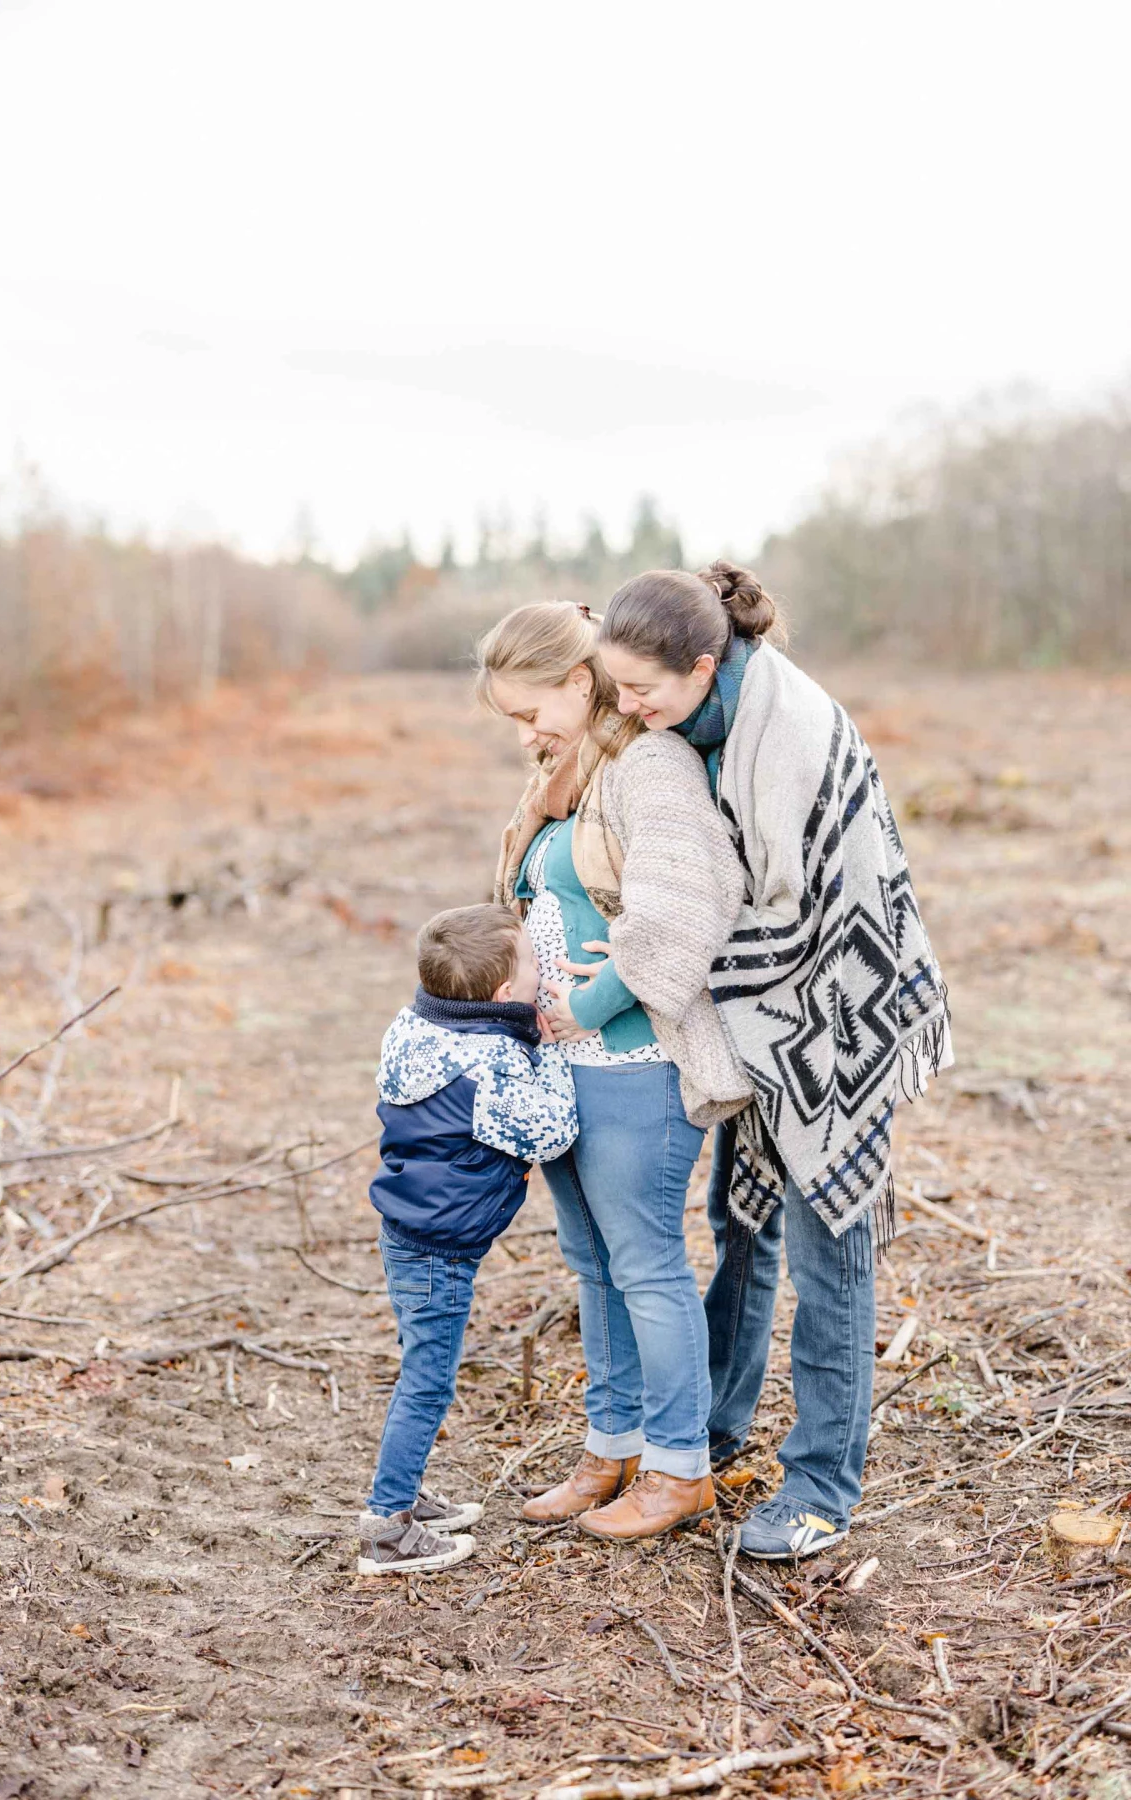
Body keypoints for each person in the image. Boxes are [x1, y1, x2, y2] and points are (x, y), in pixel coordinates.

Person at [597, 563, 951, 1560]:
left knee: (825, 1240)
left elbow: (796, 904)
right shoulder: (699, 717)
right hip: (764, 1010)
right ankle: (709, 1428)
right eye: (617, 690)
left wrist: (669, 958)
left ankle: (822, 1488)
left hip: (839, 1001)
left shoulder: (784, 730)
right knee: (738, 1219)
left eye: (641, 691)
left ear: (704, 665)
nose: (628, 710)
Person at [477, 601, 753, 1541]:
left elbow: (683, 910)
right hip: (564, 1069)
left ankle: (680, 1469)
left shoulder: (650, 768)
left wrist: (582, 1006)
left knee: (645, 1267)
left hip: (633, 1064)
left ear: (577, 679)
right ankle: (614, 1445)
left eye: (530, 711)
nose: (525, 734)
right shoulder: (568, 780)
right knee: (593, 1265)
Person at [357, 902, 578, 1576]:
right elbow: (552, 1132)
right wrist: (556, 1048)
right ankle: (387, 1527)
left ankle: (404, 1495)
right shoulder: (488, 1066)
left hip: (411, 1229)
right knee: (427, 1383)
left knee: (419, 1371)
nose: (544, 970)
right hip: (440, 1248)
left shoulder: (418, 1023)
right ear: (505, 996)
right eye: (535, 963)